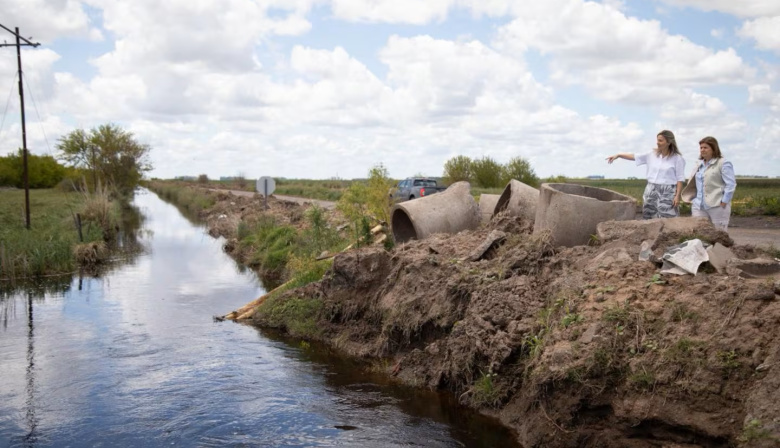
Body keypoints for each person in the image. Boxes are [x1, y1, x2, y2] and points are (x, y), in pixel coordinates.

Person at [606, 130, 686, 219]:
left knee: (668, 217)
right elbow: (634, 156)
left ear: (669, 142)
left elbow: (680, 179)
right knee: (649, 216)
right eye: (657, 140)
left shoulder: (678, 159)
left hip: (668, 192)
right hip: (651, 190)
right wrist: (619, 155)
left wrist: (677, 196)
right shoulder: (651, 154)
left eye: (660, 140)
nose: (657, 143)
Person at [681, 136, 736, 231]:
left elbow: (730, 184)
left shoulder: (723, 163)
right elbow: (693, 183)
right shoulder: (699, 165)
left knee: (719, 234)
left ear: (713, 148)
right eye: (701, 148)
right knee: (699, 234)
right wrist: (693, 199)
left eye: (705, 147)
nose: (702, 150)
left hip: (717, 205)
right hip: (698, 206)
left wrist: (724, 202)